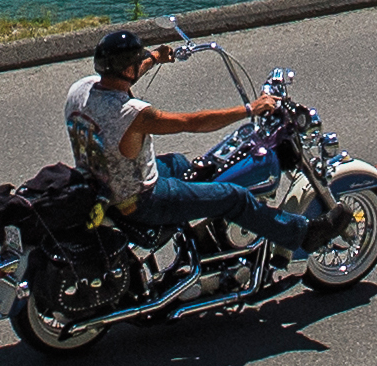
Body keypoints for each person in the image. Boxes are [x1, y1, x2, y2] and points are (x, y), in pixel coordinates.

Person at [65, 30, 353, 252]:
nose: (138, 64)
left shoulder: (82, 90)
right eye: (136, 62)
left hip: (102, 183)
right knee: (233, 196)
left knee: (180, 163)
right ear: (127, 69)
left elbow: (122, 79)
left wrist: (153, 57)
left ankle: (203, 234)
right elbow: (193, 123)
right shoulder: (132, 114)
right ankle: (302, 234)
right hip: (139, 200)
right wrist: (250, 109)